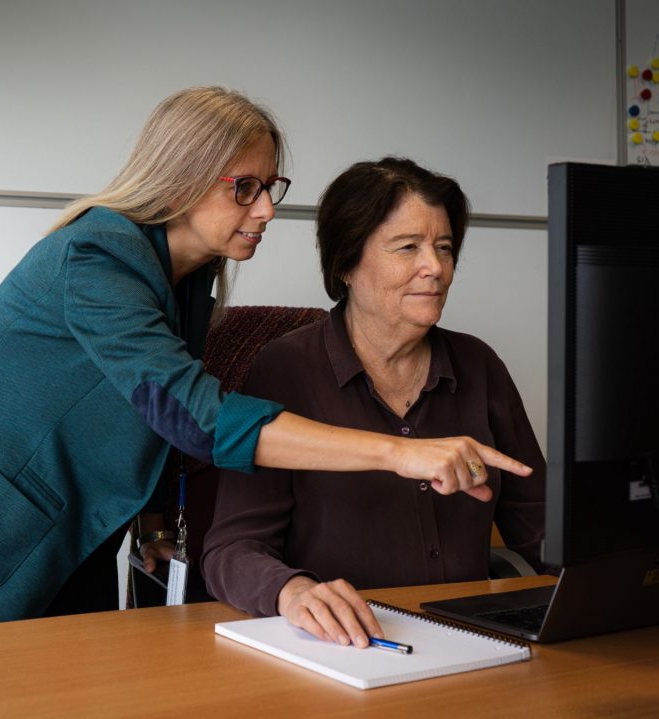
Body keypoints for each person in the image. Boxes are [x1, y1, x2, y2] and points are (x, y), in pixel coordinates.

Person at [0, 90, 533, 630]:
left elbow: (144, 409)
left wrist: (160, 521)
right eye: (244, 187)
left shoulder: (190, 277)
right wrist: (398, 452)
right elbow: (198, 418)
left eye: (270, 185)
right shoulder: (99, 258)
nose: (268, 209)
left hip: (80, 528)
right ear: (181, 181)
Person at [202, 157, 546, 649]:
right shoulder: (284, 370)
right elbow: (230, 550)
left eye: (444, 248)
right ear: (345, 263)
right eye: (408, 248)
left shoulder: (478, 365)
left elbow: (543, 527)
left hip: (468, 642)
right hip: (349, 649)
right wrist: (293, 591)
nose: (436, 268)